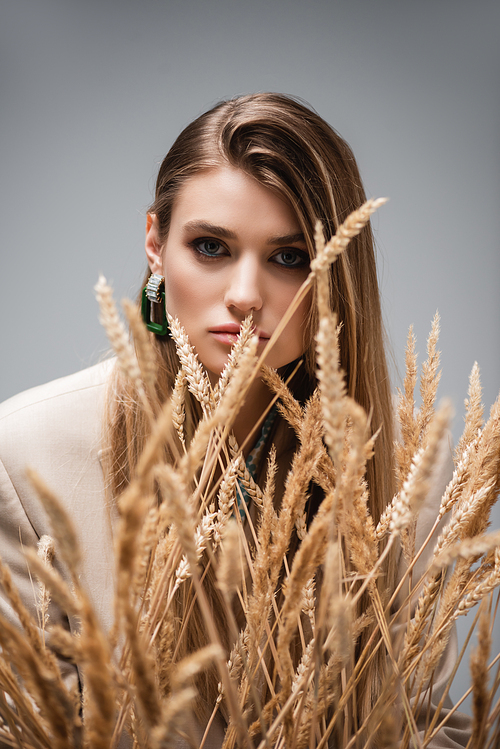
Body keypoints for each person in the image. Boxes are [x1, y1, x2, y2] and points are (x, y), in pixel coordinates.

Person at [0, 93, 470, 747]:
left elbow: (428, 726)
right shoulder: (27, 456)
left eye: (290, 257)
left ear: (337, 271)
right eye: (212, 246)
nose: (247, 294)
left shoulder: (409, 458)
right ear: (156, 245)